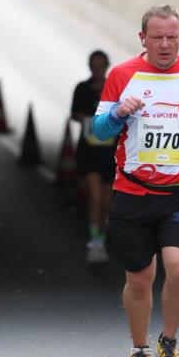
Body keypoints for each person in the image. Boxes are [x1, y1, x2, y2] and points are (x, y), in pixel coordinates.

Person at [92, 5, 179, 357]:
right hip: (133, 193)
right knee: (140, 278)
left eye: (171, 36)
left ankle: (169, 341)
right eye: (157, 37)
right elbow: (99, 130)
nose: (165, 44)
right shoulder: (122, 75)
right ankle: (138, 349)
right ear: (142, 38)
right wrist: (118, 112)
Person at [71, 50, 116, 262]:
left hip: (110, 153)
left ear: (106, 66)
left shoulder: (115, 88)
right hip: (89, 151)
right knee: (95, 197)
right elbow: (74, 113)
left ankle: (102, 238)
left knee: (108, 203)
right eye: (94, 66)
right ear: (89, 67)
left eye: (101, 66)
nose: (97, 70)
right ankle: (94, 242)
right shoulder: (82, 88)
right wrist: (88, 119)